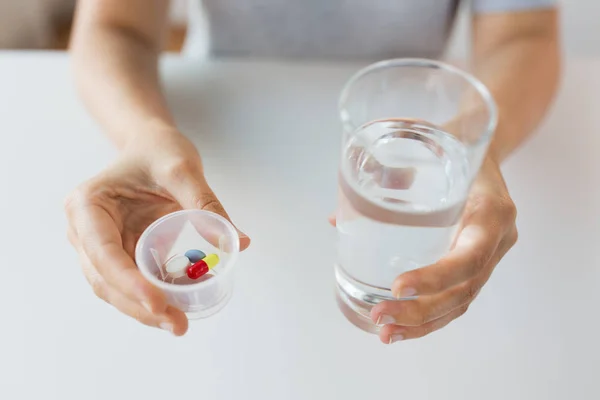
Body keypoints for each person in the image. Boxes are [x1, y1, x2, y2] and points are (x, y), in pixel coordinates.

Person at [64, 0, 560, 341]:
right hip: (222, 141)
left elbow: (525, 32)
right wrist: (142, 133)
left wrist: (467, 150)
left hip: (413, 123)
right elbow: (114, 25)